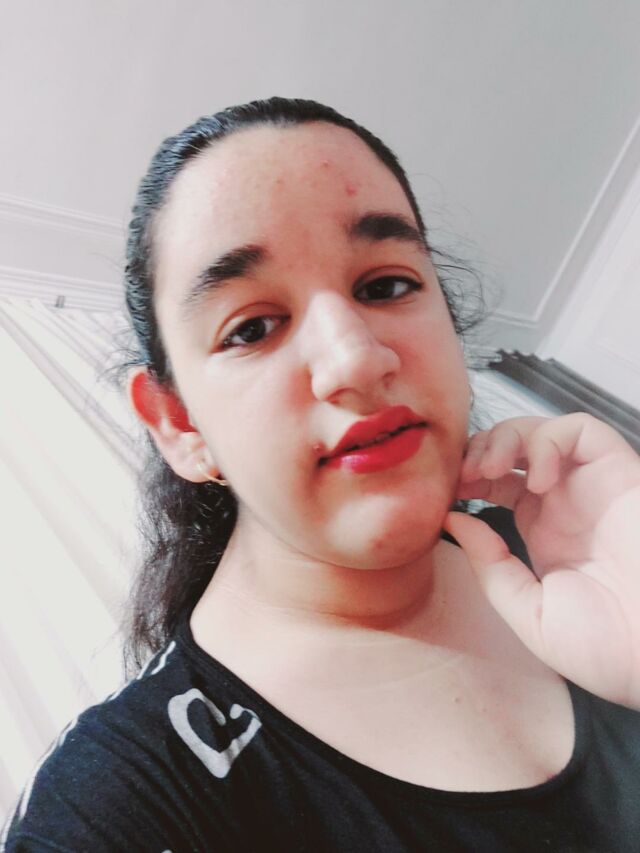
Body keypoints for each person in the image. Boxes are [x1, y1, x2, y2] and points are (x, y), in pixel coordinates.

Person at [3, 96, 640, 852]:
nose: (356, 359)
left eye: (387, 286)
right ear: (179, 423)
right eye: (251, 328)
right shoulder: (126, 802)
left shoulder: (577, 554)